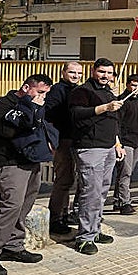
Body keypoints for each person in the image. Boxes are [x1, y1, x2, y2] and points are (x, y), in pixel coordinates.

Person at [0, 73, 55, 275]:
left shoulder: (35, 106)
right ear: (26, 87)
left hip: (30, 161)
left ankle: (13, 244)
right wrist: (30, 108)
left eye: (45, 94)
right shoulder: (1, 106)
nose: (42, 97)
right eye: (39, 92)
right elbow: (10, 132)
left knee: (24, 205)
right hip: (9, 163)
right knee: (11, 206)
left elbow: (38, 128)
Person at [68, 59, 125, 255]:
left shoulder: (109, 91)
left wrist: (117, 143)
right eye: (101, 72)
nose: (105, 76)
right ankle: (84, 238)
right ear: (93, 71)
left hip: (108, 147)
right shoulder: (82, 91)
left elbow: (114, 121)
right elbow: (76, 114)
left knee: (101, 193)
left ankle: (95, 230)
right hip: (90, 148)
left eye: (109, 72)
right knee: (90, 193)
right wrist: (104, 108)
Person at [45, 61, 83, 235]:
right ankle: (55, 218)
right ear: (63, 73)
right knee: (63, 180)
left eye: (79, 73)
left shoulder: (78, 90)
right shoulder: (58, 91)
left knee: (71, 180)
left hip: (76, 139)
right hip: (63, 141)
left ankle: (64, 214)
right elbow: (50, 115)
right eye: (72, 72)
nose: (75, 76)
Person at [111, 73, 138, 215]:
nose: (136, 88)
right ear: (127, 85)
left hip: (136, 141)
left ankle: (118, 200)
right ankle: (125, 202)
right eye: (134, 85)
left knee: (126, 172)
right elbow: (117, 124)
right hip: (125, 142)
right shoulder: (122, 101)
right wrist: (119, 143)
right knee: (125, 172)